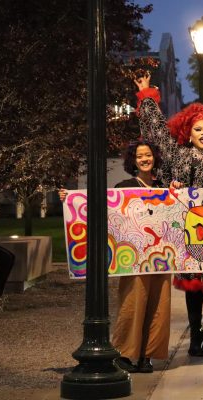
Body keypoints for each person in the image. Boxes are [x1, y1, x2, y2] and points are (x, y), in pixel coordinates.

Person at [135, 74, 203, 358]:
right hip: (187, 231)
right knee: (192, 285)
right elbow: (156, 134)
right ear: (189, 131)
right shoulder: (177, 156)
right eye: (198, 129)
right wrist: (147, 95)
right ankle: (195, 331)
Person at [59, 140, 171, 373]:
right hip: (134, 258)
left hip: (161, 258)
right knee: (134, 304)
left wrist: (176, 190)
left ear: (154, 157)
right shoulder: (125, 186)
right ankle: (127, 354)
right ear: (133, 161)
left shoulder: (165, 186)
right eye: (139, 156)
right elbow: (102, 204)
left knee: (159, 307)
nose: (144, 159)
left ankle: (147, 356)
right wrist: (71, 199)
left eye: (148, 155)